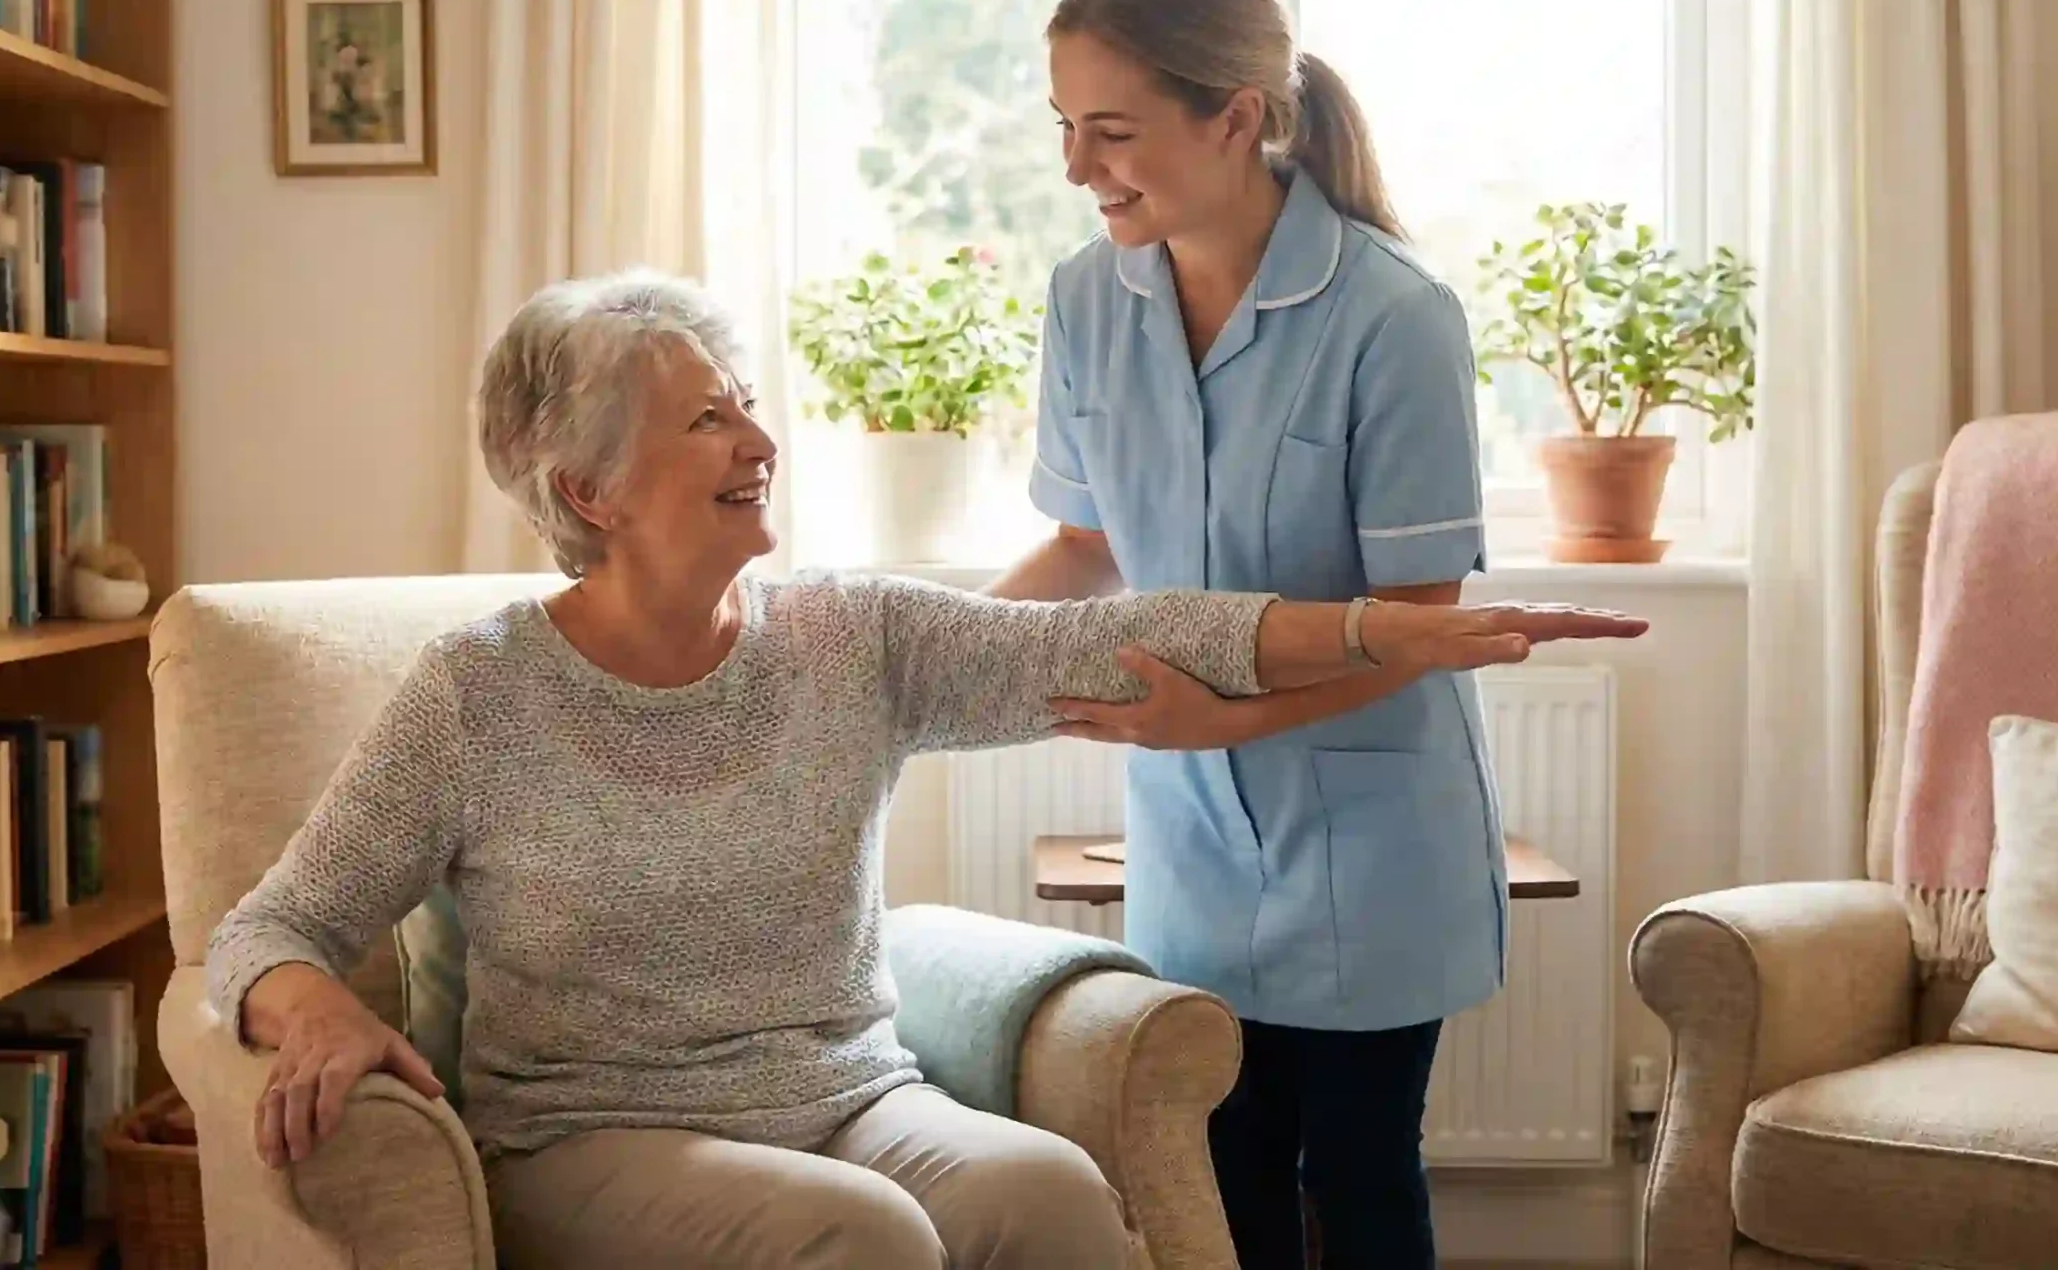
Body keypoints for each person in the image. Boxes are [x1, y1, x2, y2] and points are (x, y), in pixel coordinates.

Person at [206, 272, 1646, 1270]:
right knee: (864, 1243)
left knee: (1050, 1197)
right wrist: (315, 1008)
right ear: (587, 490)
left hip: (849, 1094)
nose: (761, 441)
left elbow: (1114, 630)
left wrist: (1370, 627)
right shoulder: (480, 694)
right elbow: (272, 926)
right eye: (708, 419)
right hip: (595, 1139)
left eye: (746, 404)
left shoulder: (848, 636)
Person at [986, 0, 1512, 1269]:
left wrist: (1215, 723)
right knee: (1218, 1178)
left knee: (1359, 1177)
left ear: (1236, 117)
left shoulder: (1394, 317)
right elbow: (1086, 547)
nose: (1073, 167)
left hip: (1370, 840)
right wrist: (933, 659)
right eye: (1061, 124)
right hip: (1190, 845)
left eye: (1109, 129)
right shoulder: (1083, 303)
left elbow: (1420, 618)